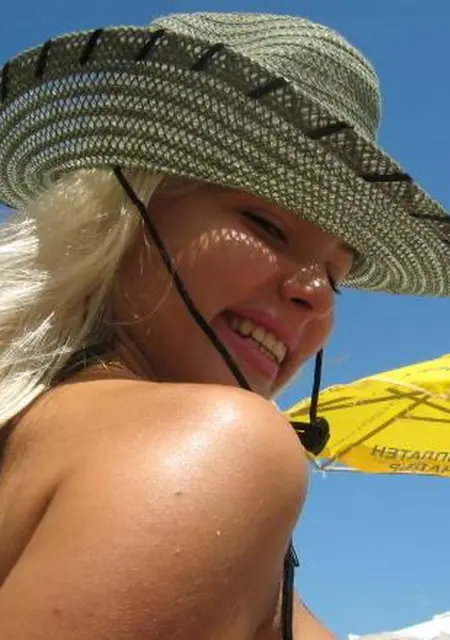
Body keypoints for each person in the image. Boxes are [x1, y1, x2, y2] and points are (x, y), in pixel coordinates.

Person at [0, 11, 448, 640]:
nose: (316, 294)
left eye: (337, 275)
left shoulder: (43, 438)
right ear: (125, 214)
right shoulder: (224, 447)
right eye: (268, 225)